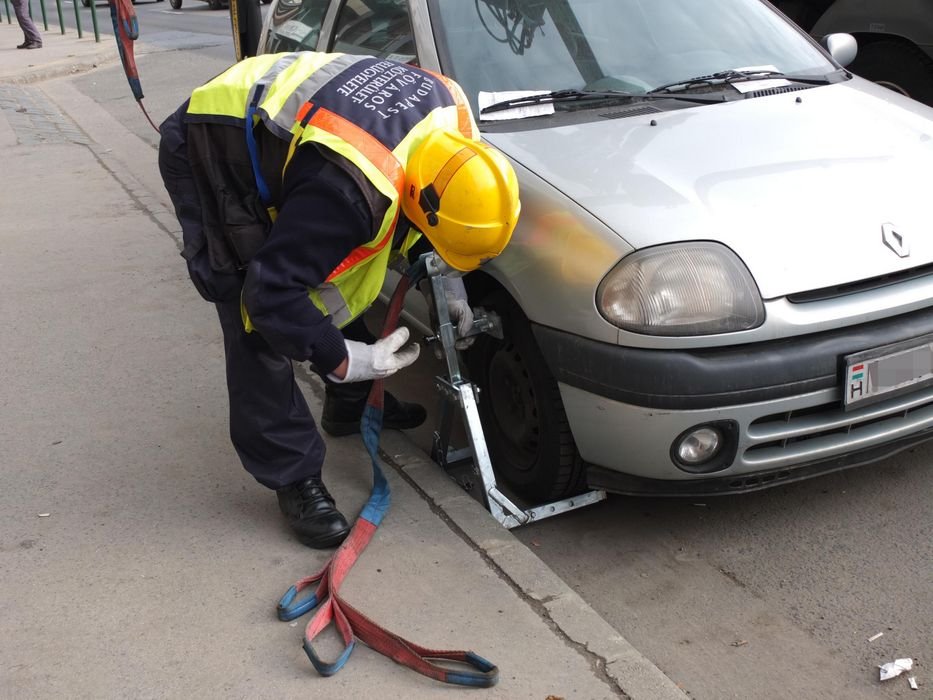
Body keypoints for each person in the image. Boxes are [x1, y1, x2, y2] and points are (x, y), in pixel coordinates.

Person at [158, 52, 520, 548]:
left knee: (337, 268)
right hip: (211, 144)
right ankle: (291, 475)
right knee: (250, 314)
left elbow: (404, 230)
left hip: (291, 133)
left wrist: (449, 277)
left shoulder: (455, 119)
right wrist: (342, 357)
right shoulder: (348, 192)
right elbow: (271, 294)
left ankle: (349, 408)